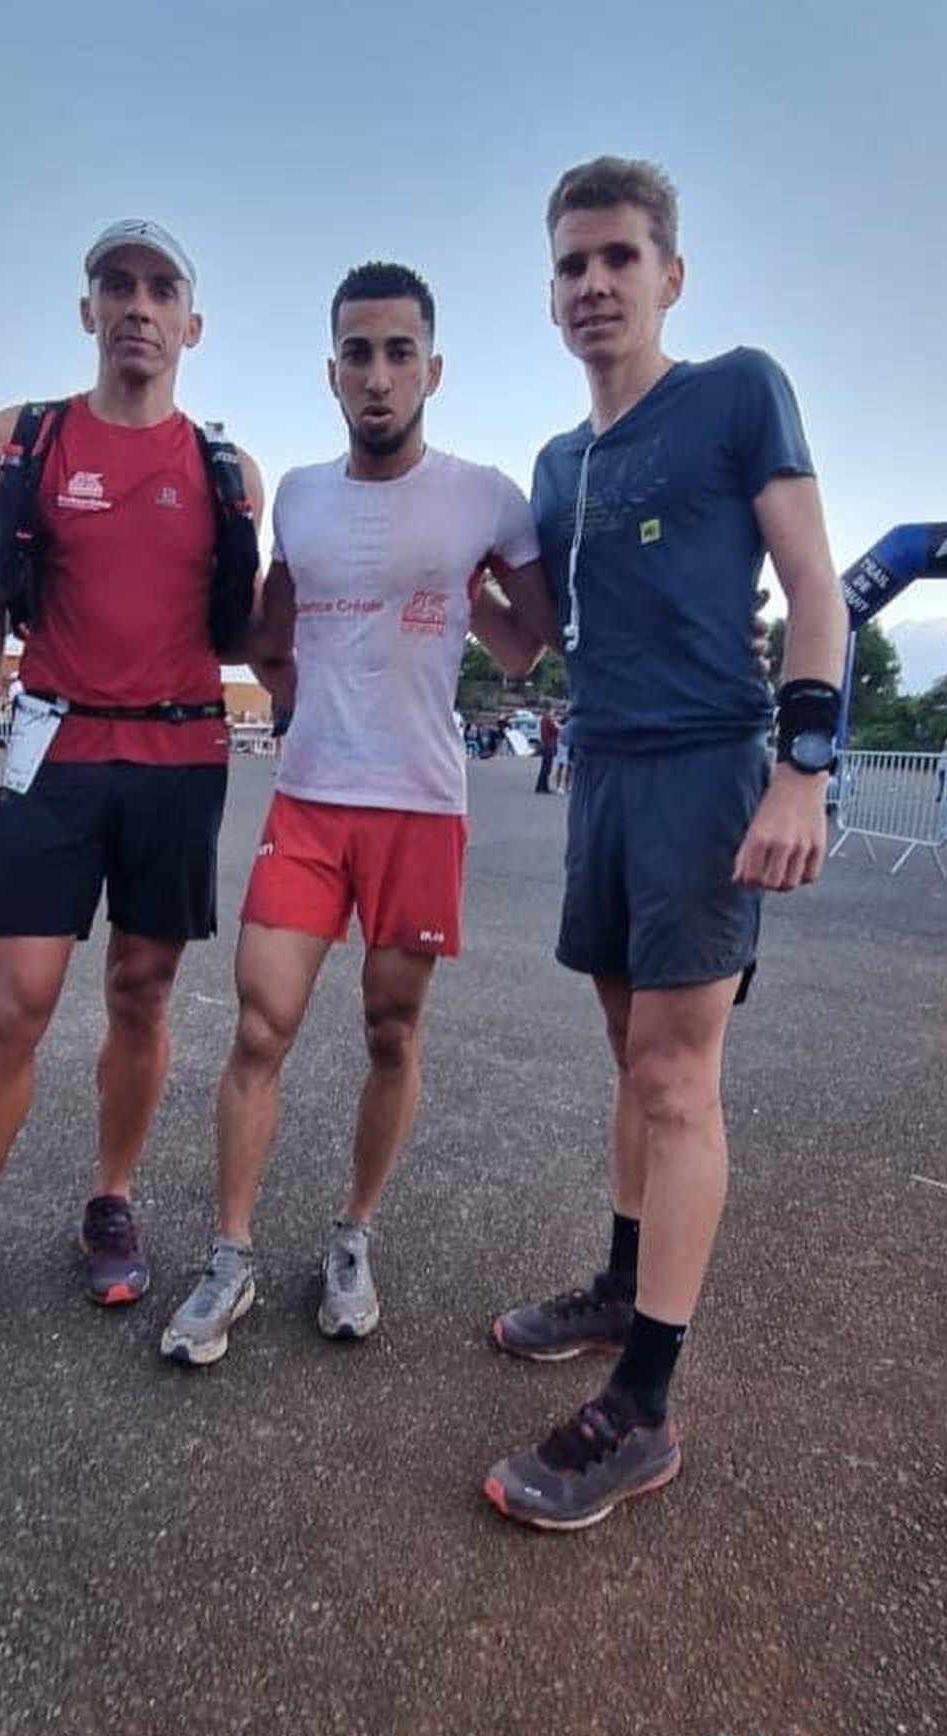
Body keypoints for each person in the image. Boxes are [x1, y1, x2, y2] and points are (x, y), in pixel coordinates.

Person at [484, 157, 847, 1529]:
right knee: (631, 1056)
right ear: (550, 293)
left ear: (670, 276)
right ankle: (623, 1283)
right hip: (604, 774)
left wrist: (801, 770)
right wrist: (448, 582)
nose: (594, 284)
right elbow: (536, 648)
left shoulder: (737, 390)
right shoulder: (557, 466)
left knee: (679, 1081)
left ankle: (642, 1403)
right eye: (572, 265)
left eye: (619, 258)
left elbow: (814, 585)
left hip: (708, 764)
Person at [159, 262, 556, 1365]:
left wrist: (461, 585)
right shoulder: (298, 494)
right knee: (260, 1024)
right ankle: (231, 1255)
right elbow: (267, 633)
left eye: (398, 353)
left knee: (391, 1030)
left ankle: (353, 1233)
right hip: (311, 799)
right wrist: (285, 682)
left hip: (420, 806)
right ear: (331, 371)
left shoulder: (487, 497)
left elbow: (528, 646)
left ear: (433, 368)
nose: (377, 376)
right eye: (357, 354)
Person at [0, 219, 264, 1354]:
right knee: (12, 999)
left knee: (142, 994)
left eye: (160, 290)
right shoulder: (24, 440)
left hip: (179, 758)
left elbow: (253, 630)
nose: (137, 306)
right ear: (87, 309)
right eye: (117, 285)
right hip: (53, 751)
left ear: (192, 325)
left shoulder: (228, 471)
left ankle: (112, 1196)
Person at [536, 704, 560, 794]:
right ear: (549, 711)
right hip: (549, 745)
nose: (553, 713)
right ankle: (543, 787)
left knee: (544, 767)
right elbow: (555, 730)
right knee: (546, 767)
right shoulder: (548, 720)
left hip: (546, 744)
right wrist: (556, 724)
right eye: (552, 711)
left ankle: (541, 786)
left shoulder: (544, 719)